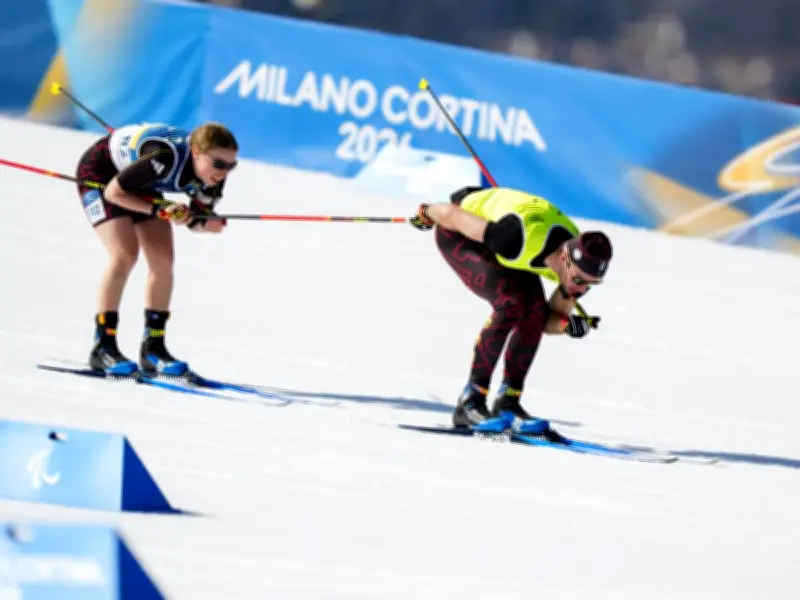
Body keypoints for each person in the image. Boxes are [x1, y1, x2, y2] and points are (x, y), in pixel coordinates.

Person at [409, 185, 613, 434]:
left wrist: (566, 325)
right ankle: (471, 401)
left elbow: (545, 320)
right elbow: (452, 216)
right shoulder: (516, 238)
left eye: (591, 285)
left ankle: (508, 402)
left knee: (532, 310)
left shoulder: (577, 269)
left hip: (507, 241)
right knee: (511, 304)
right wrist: (427, 211)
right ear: (563, 258)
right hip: (460, 233)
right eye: (579, 281)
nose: (581, 290)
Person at [75, 121, 239, 377]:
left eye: (231, 165)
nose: (224, 172)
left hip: (144, 183)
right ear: (196, 152)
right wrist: (159, 210)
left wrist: (207, 223)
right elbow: (114, 194)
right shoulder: (163, 158)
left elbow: (194, 221)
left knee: (162, 262)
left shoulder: (213, 178)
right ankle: (103, 347)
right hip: (103, 177)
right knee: (124, 254)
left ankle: (153, 349)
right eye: (218, 163)